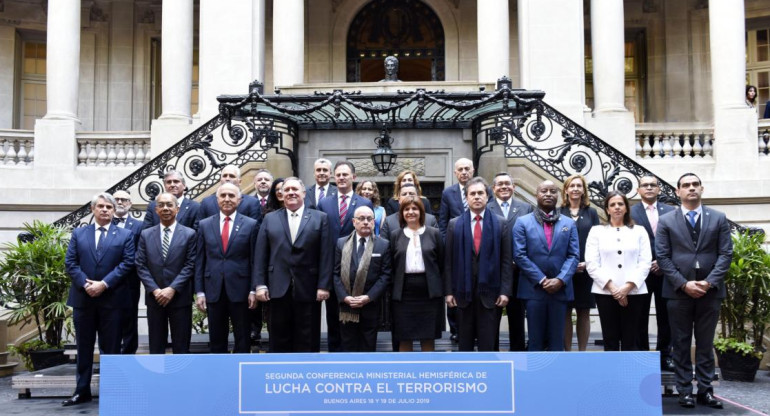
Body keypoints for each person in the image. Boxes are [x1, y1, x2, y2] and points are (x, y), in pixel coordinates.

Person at [656, 173, 732, 409]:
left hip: (710, 292)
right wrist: (683, 283)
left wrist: (709, 283)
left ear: (702, 188)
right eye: (686, 185)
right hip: (678, 292)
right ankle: (684, 391)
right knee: (680, 343)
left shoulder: (719, 218)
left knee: (706, 343)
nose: (691, 188)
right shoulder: (667, 220)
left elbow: (725, 254)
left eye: (695, 185)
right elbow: (663, 257)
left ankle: (706, 391)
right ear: (678, 191)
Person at [63, 193, 135, 407]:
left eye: (109, 207)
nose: (105, 210)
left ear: (114, 211)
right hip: (83, 299)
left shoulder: (125, 235)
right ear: (93, 210)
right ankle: (81, 391)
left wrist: (103, 284)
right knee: (84, 348)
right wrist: (87, 284)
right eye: (101, 206)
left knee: (111, 348)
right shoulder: (79, 233)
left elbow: (127, 263)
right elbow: (71, 262)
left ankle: (111, 392)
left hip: (112, 300)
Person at [254, 177, 332, 352]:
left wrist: (324, 286)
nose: (290, 193)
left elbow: (326, 255)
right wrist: (260, 285)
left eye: (295, 189)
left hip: (309, 288)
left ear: (304, 193)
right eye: (286, 190)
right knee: (279, 339)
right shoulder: (270, 219)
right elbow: (260, 255)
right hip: (277, 288)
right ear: (281, 195)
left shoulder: (320, 218)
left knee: (308, 338)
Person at [445, 177, 512, 351]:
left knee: (489, 345)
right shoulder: (454, 224)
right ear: (466, 198)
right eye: (472, 193)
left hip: (490, 293)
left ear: (488, 196)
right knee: (464, 345)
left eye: (480, 193)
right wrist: (449, 292)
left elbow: (506, 261)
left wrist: (505, 291)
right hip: (462, 293)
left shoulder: (500, 223)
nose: (476, 197)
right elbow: (449, 262)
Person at [513, 180, 579, 352]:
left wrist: (560, 279)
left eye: (553, 191)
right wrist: (542, 280)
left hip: (560, 289)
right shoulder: (522, 222)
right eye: (544, 191)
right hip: (533, 289)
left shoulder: (569, 223)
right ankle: (534, 377)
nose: (548, 194)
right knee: (535, 340)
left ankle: (558, 377)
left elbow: (573, 255)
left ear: (558, 195)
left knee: (558, 340)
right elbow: (519, 255)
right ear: (537, 194)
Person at [194, 183, 259, 353]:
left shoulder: (251, 224)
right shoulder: (204, 224)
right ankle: (219, 375)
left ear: (239, 199)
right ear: (217, 200)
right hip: (214, 289)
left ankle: (241, 374)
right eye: (223, 196)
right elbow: (200, 260)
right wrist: (200, 292)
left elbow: (255, 260)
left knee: (243, 338)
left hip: (241, 289)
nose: (227, 199)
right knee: (216, 338)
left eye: (231, 195)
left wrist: (253, 289)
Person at [317, 161, 373, 352]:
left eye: (345, 174)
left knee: (356, 322)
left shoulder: (364, 203)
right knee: (333, 319)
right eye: (338, 175)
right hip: (332, 269)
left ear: (353, 178)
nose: (341, 178)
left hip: (356, 271)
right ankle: (334, 359)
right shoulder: (324, 203)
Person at [585, 191, 651, 351]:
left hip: (634, 292)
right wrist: (614, 289)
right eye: (612, 205)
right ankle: (612, 375)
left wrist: (627, 287)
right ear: (607, 209)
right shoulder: (596, 231)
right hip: (605, 292)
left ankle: (631, 375)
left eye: (620, 204)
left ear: (626, 208)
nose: (617, 208)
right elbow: (592, 263)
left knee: (632, 338)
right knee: (610, 339)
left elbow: (645, 261)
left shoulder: (639, 231)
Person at [135, 192, 196, 354]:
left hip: (179, 298)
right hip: (155, 299)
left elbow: (190, 265)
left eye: (169, 205)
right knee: (156, 346)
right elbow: (140, 264)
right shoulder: (146, 234)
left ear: (177, 209)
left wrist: (172, 289)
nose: (166, 208)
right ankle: (157, 379)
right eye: (161, 205)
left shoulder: (190, 234)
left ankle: (181, 380)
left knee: (181, 346)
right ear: (156, 210)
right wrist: (155, 290)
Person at [630, 175, 676, 370]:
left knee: (666, 316)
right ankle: (642, 355)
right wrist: (647, 263)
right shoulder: (630, 212)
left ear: (659, 189)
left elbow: (677, 240)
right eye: (644, 185)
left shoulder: (672, 211)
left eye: (653, 185)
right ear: (639, 190)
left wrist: (663, 262)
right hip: (640, 272)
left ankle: (665, 355)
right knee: (639, 315)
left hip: (666, 272)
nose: (649, 188)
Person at [389, 197, 446, 352]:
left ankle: (427, 374)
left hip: (429, 294)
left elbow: (441, 263)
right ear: (402, 213)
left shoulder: (434, 233)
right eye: (407, 209)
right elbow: (392, 267)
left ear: (422, 212)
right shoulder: (395, 235)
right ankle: (404, 374)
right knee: (404, 337)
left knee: (427, 337)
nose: (411, 212)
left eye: (415, 209)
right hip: (403, 295)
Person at [333, 206, 392, 352]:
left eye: (369, 219)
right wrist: (344, 297)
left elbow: (385, 275)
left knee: (368, 346)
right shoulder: (341, 243)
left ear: (374, 222)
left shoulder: (383, 245)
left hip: (370, 306)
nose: (366, 222)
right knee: (347, 346)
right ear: (354, 221)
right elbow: (335, 273)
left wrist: (369, 297)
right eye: (361, 219)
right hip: (347, 306)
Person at [487, 172, 533, 351]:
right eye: (500, 184)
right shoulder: (486, 208)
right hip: (493, 272)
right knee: (492, 317)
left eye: (508, 183)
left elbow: (531, 238)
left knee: (517, 316)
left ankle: (518, 353)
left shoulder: (526, 208)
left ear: (514, 187)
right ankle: (492, 354)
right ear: (493, 189)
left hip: (518, 272)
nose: (504, 187)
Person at [559, 174, 600, 351]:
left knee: (584, 311)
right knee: (565, 311)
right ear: (566, 190)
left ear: (583, 190)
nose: (575, 189)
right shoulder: (558, 212)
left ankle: (582, 352)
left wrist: (587, 263)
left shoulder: (591, 213)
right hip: (564, 270)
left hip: (586, 270)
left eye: (579, 186)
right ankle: (568, 352)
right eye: (572, 186)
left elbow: (598, 239)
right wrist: (567, 266)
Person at [438, 157, 474, 341]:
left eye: (467, 168)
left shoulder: (482, 190)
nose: (464, 172)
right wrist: (447, 246)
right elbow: (443, 223)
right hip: (456, 249)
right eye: (460, 169)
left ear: (473, 171)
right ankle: (455, 330)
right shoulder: (448, 193)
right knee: (454, 288)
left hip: (478, 248)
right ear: (455, 173)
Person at [112, 190, 144, 355]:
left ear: (130, 204)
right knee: (110, 320)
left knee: (130, 318)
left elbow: (141, 252)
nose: (120, 202)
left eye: (123, 199)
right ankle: (112, 355)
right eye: (116, 199)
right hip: (107, 282)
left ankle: (129, 354)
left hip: (130, 281)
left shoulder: (139, 225)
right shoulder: (105, 223)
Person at [196, 164, 262, 228]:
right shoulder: (207, 202)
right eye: (224, 176)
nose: (227, 178)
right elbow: (198, 227)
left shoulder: (252, 203)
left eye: (231, 176)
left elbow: (255, 229)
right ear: (220, 180)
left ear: (240, 182)